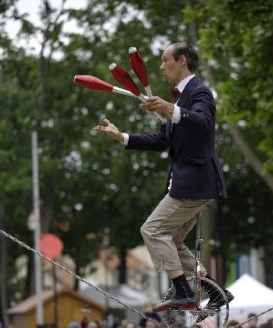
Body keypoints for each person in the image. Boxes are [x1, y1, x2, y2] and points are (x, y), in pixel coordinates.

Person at [93, 41, 233, 311]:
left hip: (194, 183)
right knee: (173, 240)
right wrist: (121, 136)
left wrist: (170, 109)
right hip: (193, 184)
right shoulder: (180, 98)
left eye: (165, 59)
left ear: (183, 61)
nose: (160, 66)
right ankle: (215, 292)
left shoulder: (200, 92)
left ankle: (183, 291)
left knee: (152, 230)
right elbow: (160, 140)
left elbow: (203, 123)